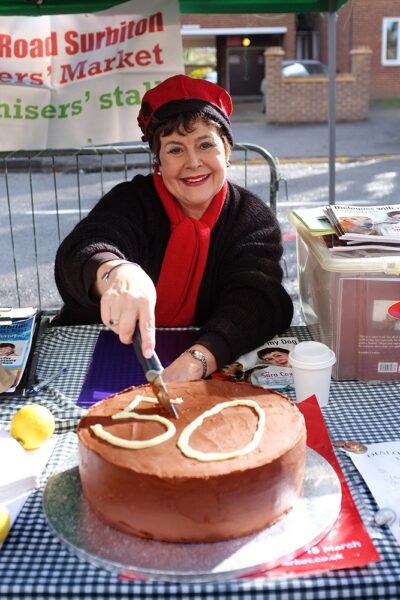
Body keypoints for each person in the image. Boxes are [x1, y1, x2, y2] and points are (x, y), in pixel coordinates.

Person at [53, 74, 293, 382]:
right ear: (159, 161)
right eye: (175, 149)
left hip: (199, 358)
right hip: (99, 353)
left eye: (206, 145)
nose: (193, 162)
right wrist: (116, 272)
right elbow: (83, 248)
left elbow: (257, 301)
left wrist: (199, 360)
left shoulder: (251, 217)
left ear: (227, 151)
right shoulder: (131, 200)